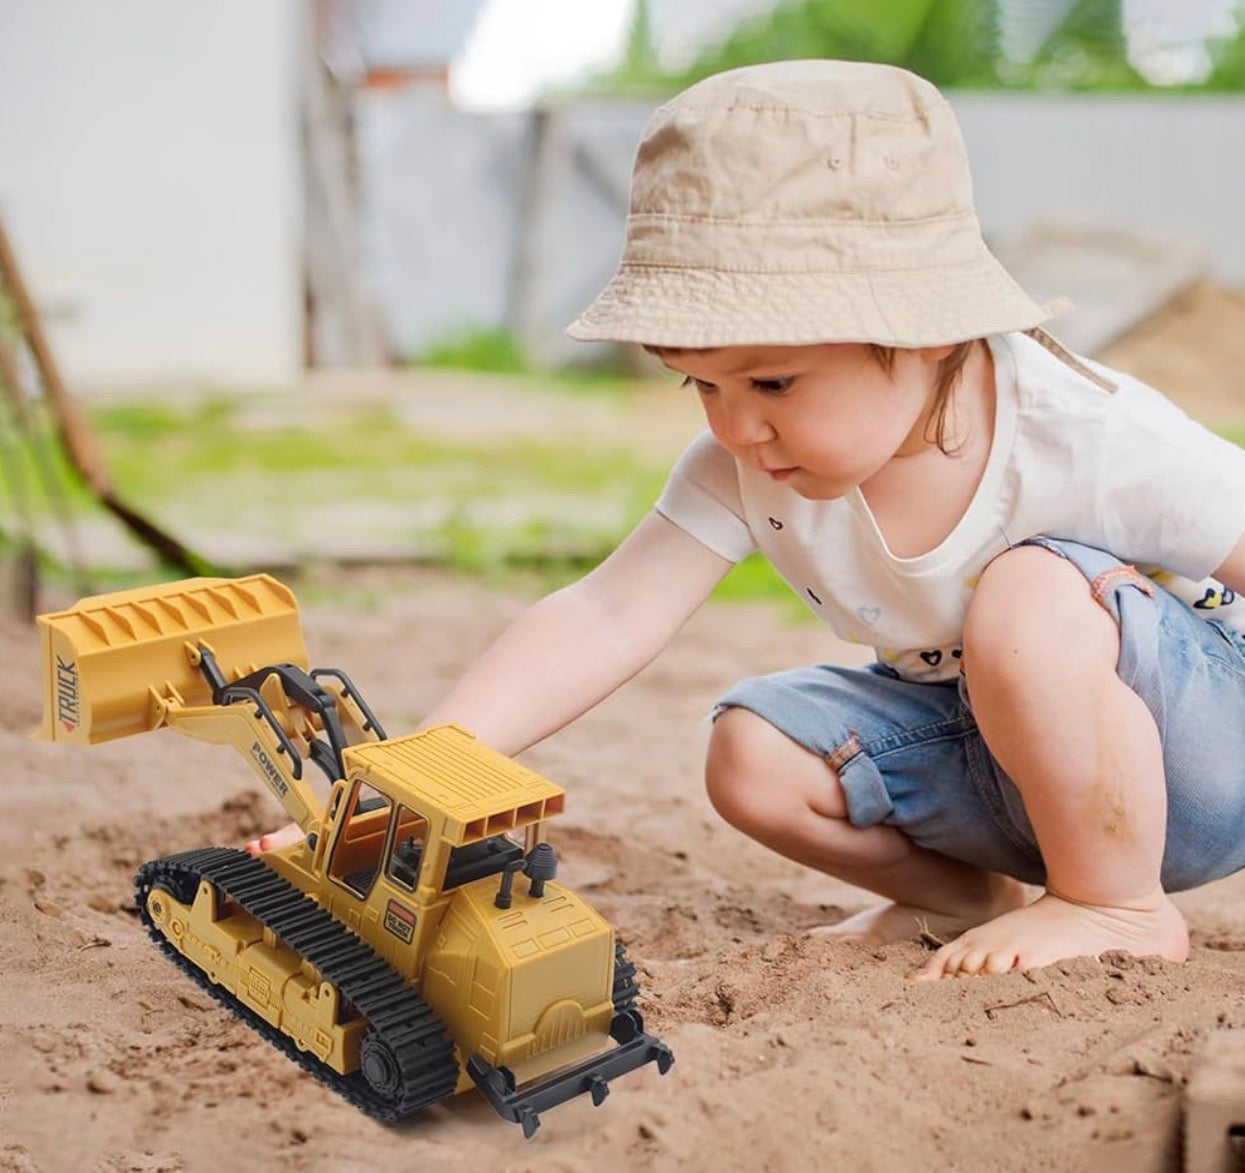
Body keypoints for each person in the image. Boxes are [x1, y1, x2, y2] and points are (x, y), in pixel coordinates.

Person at [249, 59, 1245, 979]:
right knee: (752, 751)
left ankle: (1115, 907)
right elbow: (606, 616)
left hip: (1198, 755)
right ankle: (960, 899)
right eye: (699, 385)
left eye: (772, 380)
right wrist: (404, 791)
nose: (737, 426)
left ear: (928, 328)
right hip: (1006, 767)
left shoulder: (1080, 433)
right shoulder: (746, 462)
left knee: (1027, 593)